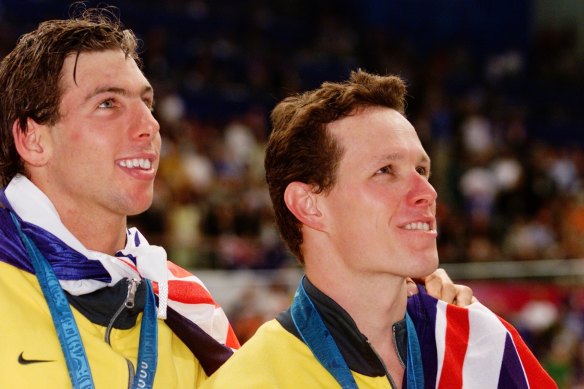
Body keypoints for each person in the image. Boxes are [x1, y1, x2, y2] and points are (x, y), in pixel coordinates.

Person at [0, 6, 476, 389]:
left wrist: (409, 324)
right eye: (108, 104)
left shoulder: (188, 309)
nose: (149, 125)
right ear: (32, 138)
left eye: (146, 102)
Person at [201, 70, 557, 388]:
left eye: (421, 170)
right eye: (385, 170)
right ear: (310, 205)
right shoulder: (252, 381)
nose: (428, 193)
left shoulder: (481, 348)